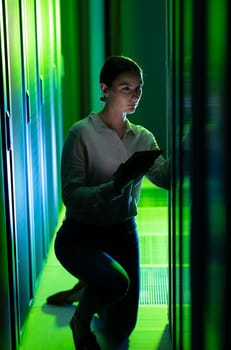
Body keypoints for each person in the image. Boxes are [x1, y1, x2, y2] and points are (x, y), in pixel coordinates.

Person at [52, 56, 170, 350]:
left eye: (138, 89)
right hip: (81, 236)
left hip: (123, 234)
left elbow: (165, 178)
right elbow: (72, 196)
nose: (134, 96)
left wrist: (188, 140)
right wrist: (114, 187)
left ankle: (91, 285)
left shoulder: (142, 137)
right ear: (105, 89)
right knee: (117, 284)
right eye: (125, 88)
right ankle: (80, 319)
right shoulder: (81, 134)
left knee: (120, 330)